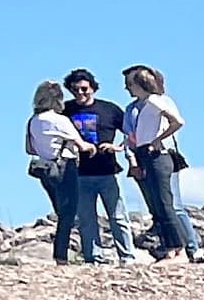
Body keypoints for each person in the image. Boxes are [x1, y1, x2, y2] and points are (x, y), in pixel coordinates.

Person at [119, 63, 195, 261]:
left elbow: (177, 121)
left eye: (130, 84)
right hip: (145, 154)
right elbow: (131, 135)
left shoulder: (155, 101)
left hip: (159, 154)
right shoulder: (137, 106)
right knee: (158, 206)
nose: (127, 88)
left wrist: (158, 139)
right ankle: (171, 248)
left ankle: (181, 249)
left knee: (166, 204)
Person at [56, 70, 129, 264]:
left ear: (93, 88)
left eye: (84, 89)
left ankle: (126, 257)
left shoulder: (110, 109)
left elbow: (132, 131)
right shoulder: (65, 110)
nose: (80, 93)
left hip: (107, 170)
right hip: (79, 173)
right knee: (86, 219)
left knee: (117, 216)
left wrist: (118, 147)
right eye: (75, 90)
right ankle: (93, 257)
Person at [25, 82, 86, 262]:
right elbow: (82, 144)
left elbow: (29, 149)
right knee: (68, 212)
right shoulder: (60, 120)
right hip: (65, 166)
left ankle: (60, 255)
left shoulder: (33, 121)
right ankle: (61, 255)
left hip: (45, 169)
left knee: (60, 211)